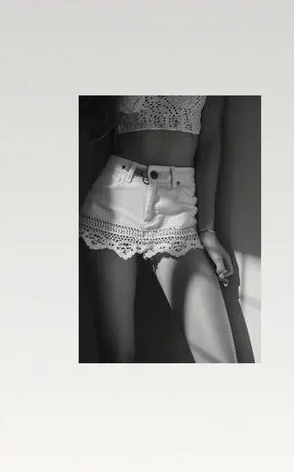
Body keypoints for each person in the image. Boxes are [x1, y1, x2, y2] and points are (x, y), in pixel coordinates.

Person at [78, 95, 238, 364]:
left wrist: (207, 231)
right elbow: (93, 124)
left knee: (221, 364)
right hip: (115, 200)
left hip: (179, 208)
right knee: (118, 357)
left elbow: (211, 144)